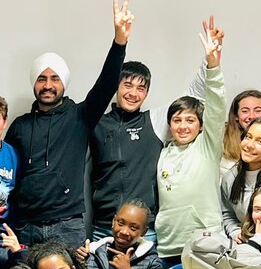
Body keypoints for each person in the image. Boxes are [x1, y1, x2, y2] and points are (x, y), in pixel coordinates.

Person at [2, 0, 133, 250]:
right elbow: (0, 161)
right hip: (25, 226)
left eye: (55, 79)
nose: (48, 85)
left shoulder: (80, 116)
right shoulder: (19, 126)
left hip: (67, 225)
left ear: (64, 83)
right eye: (42, 79)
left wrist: (119, 42)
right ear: (34, 83)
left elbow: (107, 84)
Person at [89, 46, 211, 243]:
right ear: (116, 87)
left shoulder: (155, 121)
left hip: (145, 230)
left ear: (146, 93)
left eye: (141, 88)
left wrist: (209, 61)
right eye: (127, 85)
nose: (133, 93)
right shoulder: (97, 124)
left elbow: (193, 95)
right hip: (104, 227)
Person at [154, 16, 227, 266]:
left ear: (201, 125)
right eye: (176, 120)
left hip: (206, 242)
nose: (183, 126)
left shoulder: (207, 147)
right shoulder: (164, 152)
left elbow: (216, 106)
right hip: (168, 244)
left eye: (190, 120)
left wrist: (212, 66)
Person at [221, 90, 261, 168]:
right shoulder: (220, 138)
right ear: (236, 115)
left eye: (257, 111)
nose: (251, 116)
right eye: (245, 111)